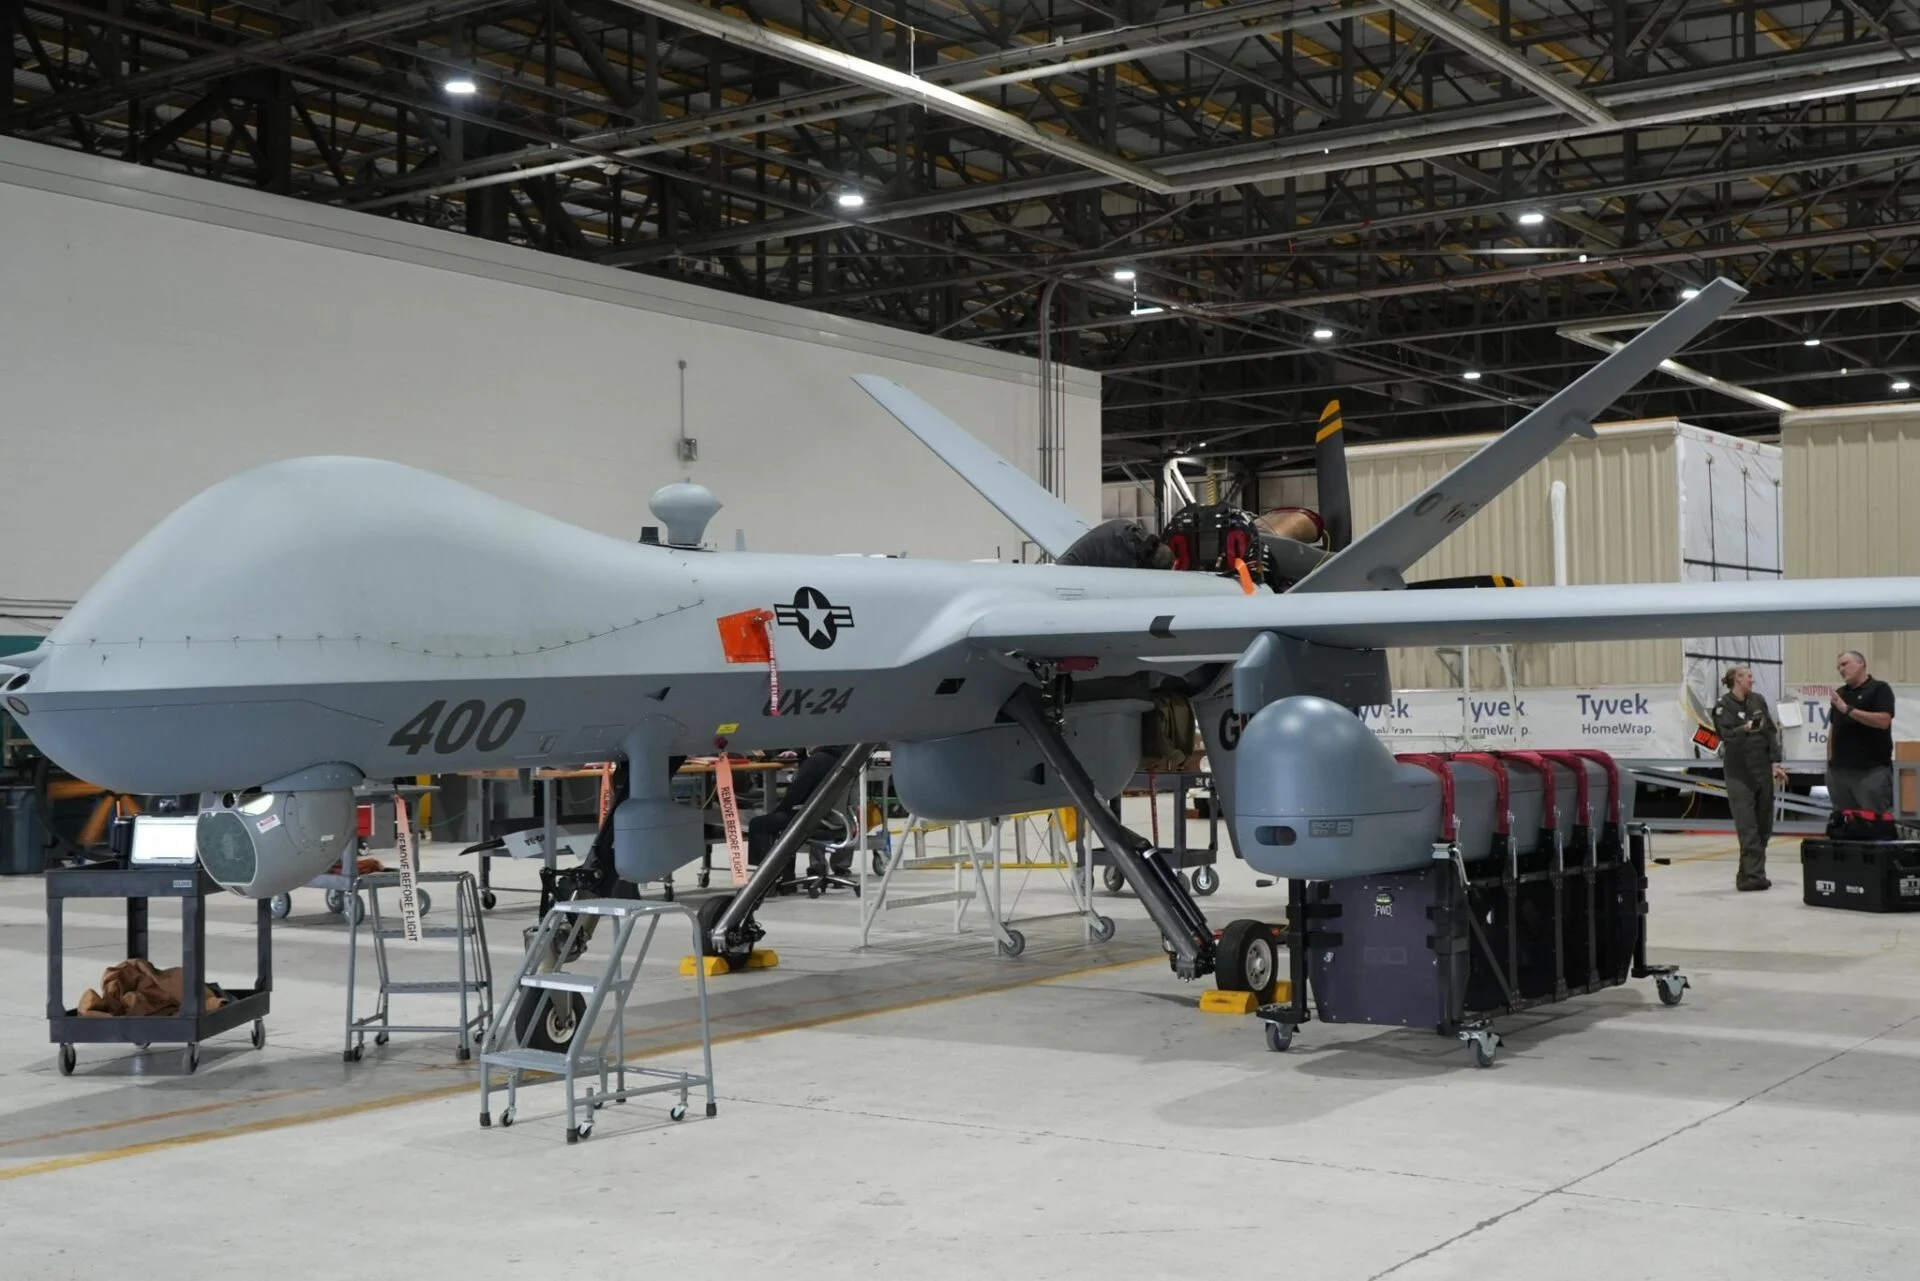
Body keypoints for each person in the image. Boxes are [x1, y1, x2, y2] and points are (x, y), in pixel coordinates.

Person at [1713, 666, 1788, 891]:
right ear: (1738, 679)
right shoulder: (1723, 706)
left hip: (1762, 772)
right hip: (1739, 775)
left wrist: (1775, 763)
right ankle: (1755, 876)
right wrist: (1744, 729)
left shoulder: (1758, 700)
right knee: (1748, 828)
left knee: (1764, 827)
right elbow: (1724, 736)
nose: (1752, 680)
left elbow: (1770, 732)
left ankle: (1746, 875)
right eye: (1749, 677)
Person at [1827, 650, 1896, 814]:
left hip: (1871, 772)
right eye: (1838, 667)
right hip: (1839, 772)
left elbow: (1883, 721)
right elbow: (1833, 728)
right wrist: (1829, 760)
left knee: (1873, 821)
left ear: (1861, 663)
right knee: (1844, 821)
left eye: (1845, 664)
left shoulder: (1879, 689)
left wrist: (1849, 710)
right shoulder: (1841, 693)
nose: (1841, 669)